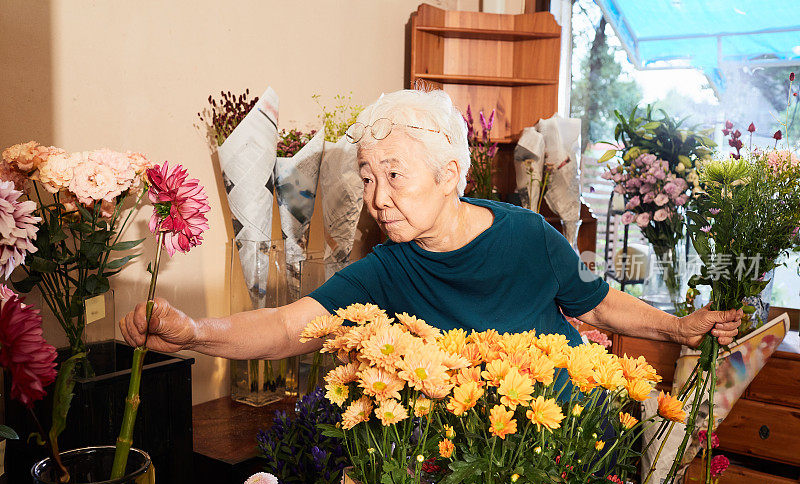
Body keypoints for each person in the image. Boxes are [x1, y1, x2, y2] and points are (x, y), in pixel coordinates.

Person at [120, 89, 742, 382]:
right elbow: (289, 325)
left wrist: (676, 327)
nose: (376, 197)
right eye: (367, 177)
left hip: (570, 439)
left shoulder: (530, 235)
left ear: (450, 176)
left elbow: (599, 297)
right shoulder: (390, 268)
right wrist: (195, 332)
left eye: (394, 174)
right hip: (473, 463)